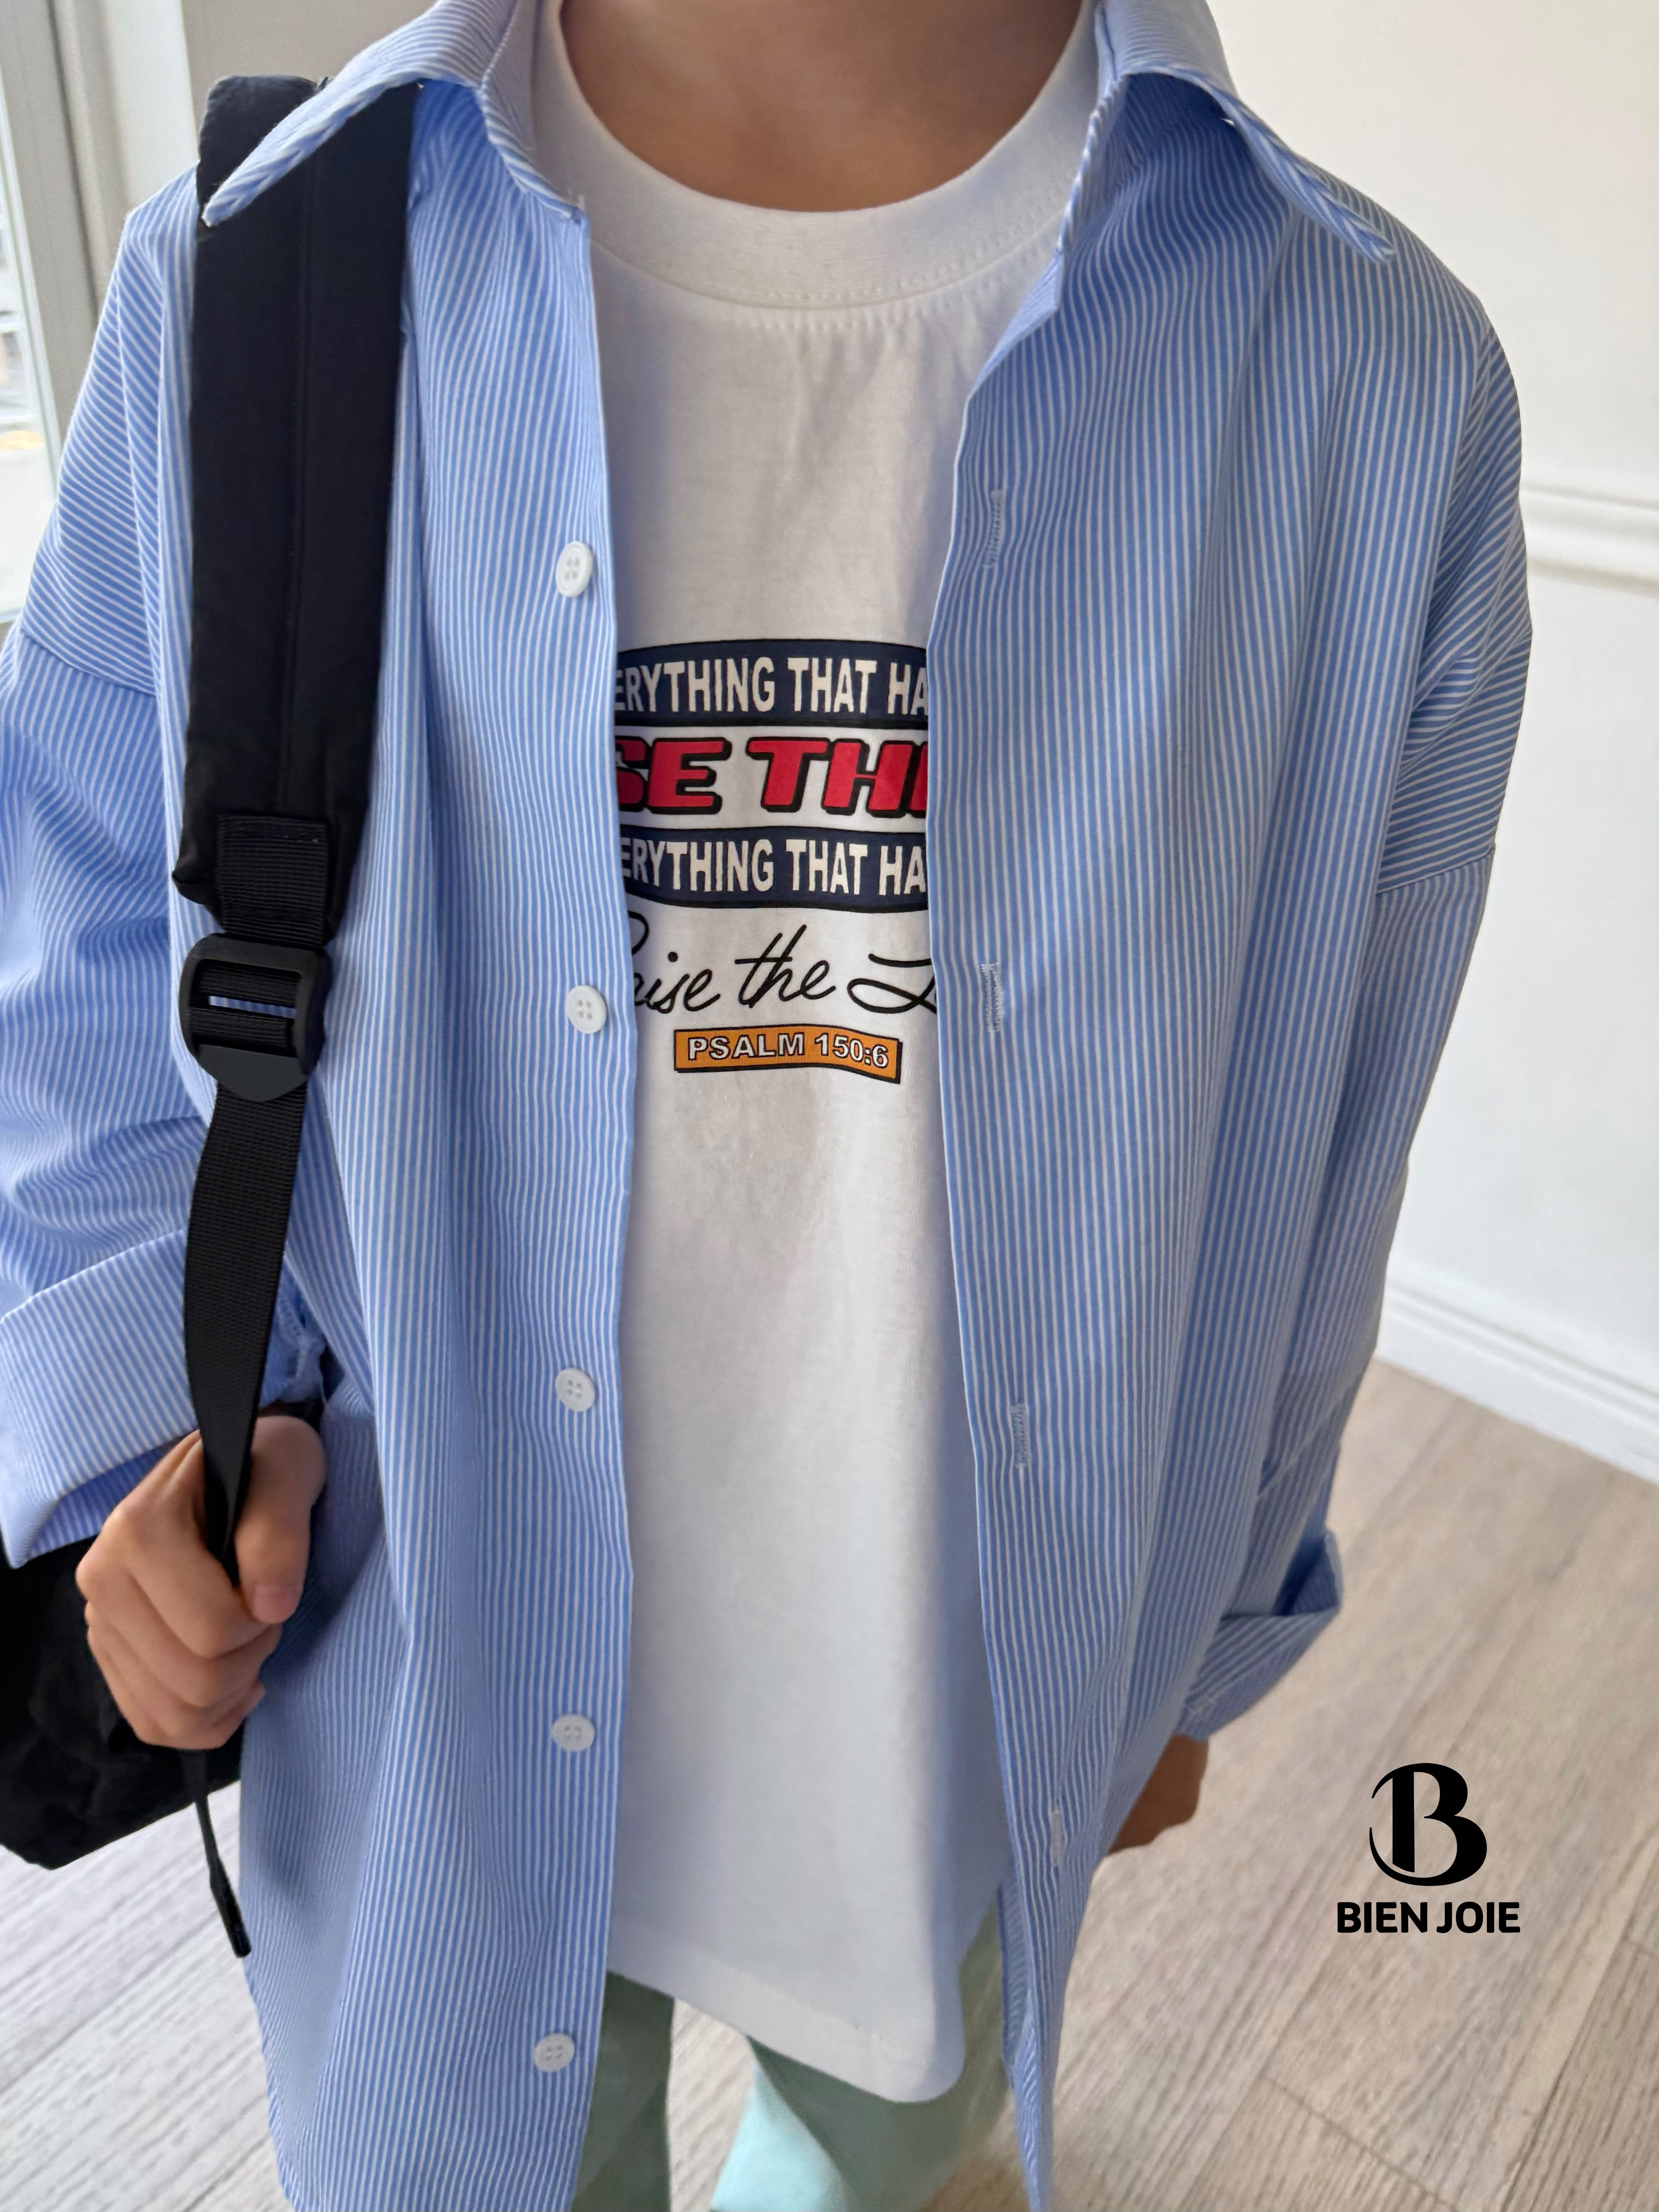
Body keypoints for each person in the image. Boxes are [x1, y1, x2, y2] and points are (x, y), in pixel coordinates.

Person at [0, 0, 1528, 2206]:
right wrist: (133, 1462)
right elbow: (84, 958)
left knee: (885, 2137)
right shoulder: (250, 277)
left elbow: (1323, 1148)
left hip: (968, 1698)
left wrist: (1201, 1635)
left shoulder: (1372, 382)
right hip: (419, 1651)